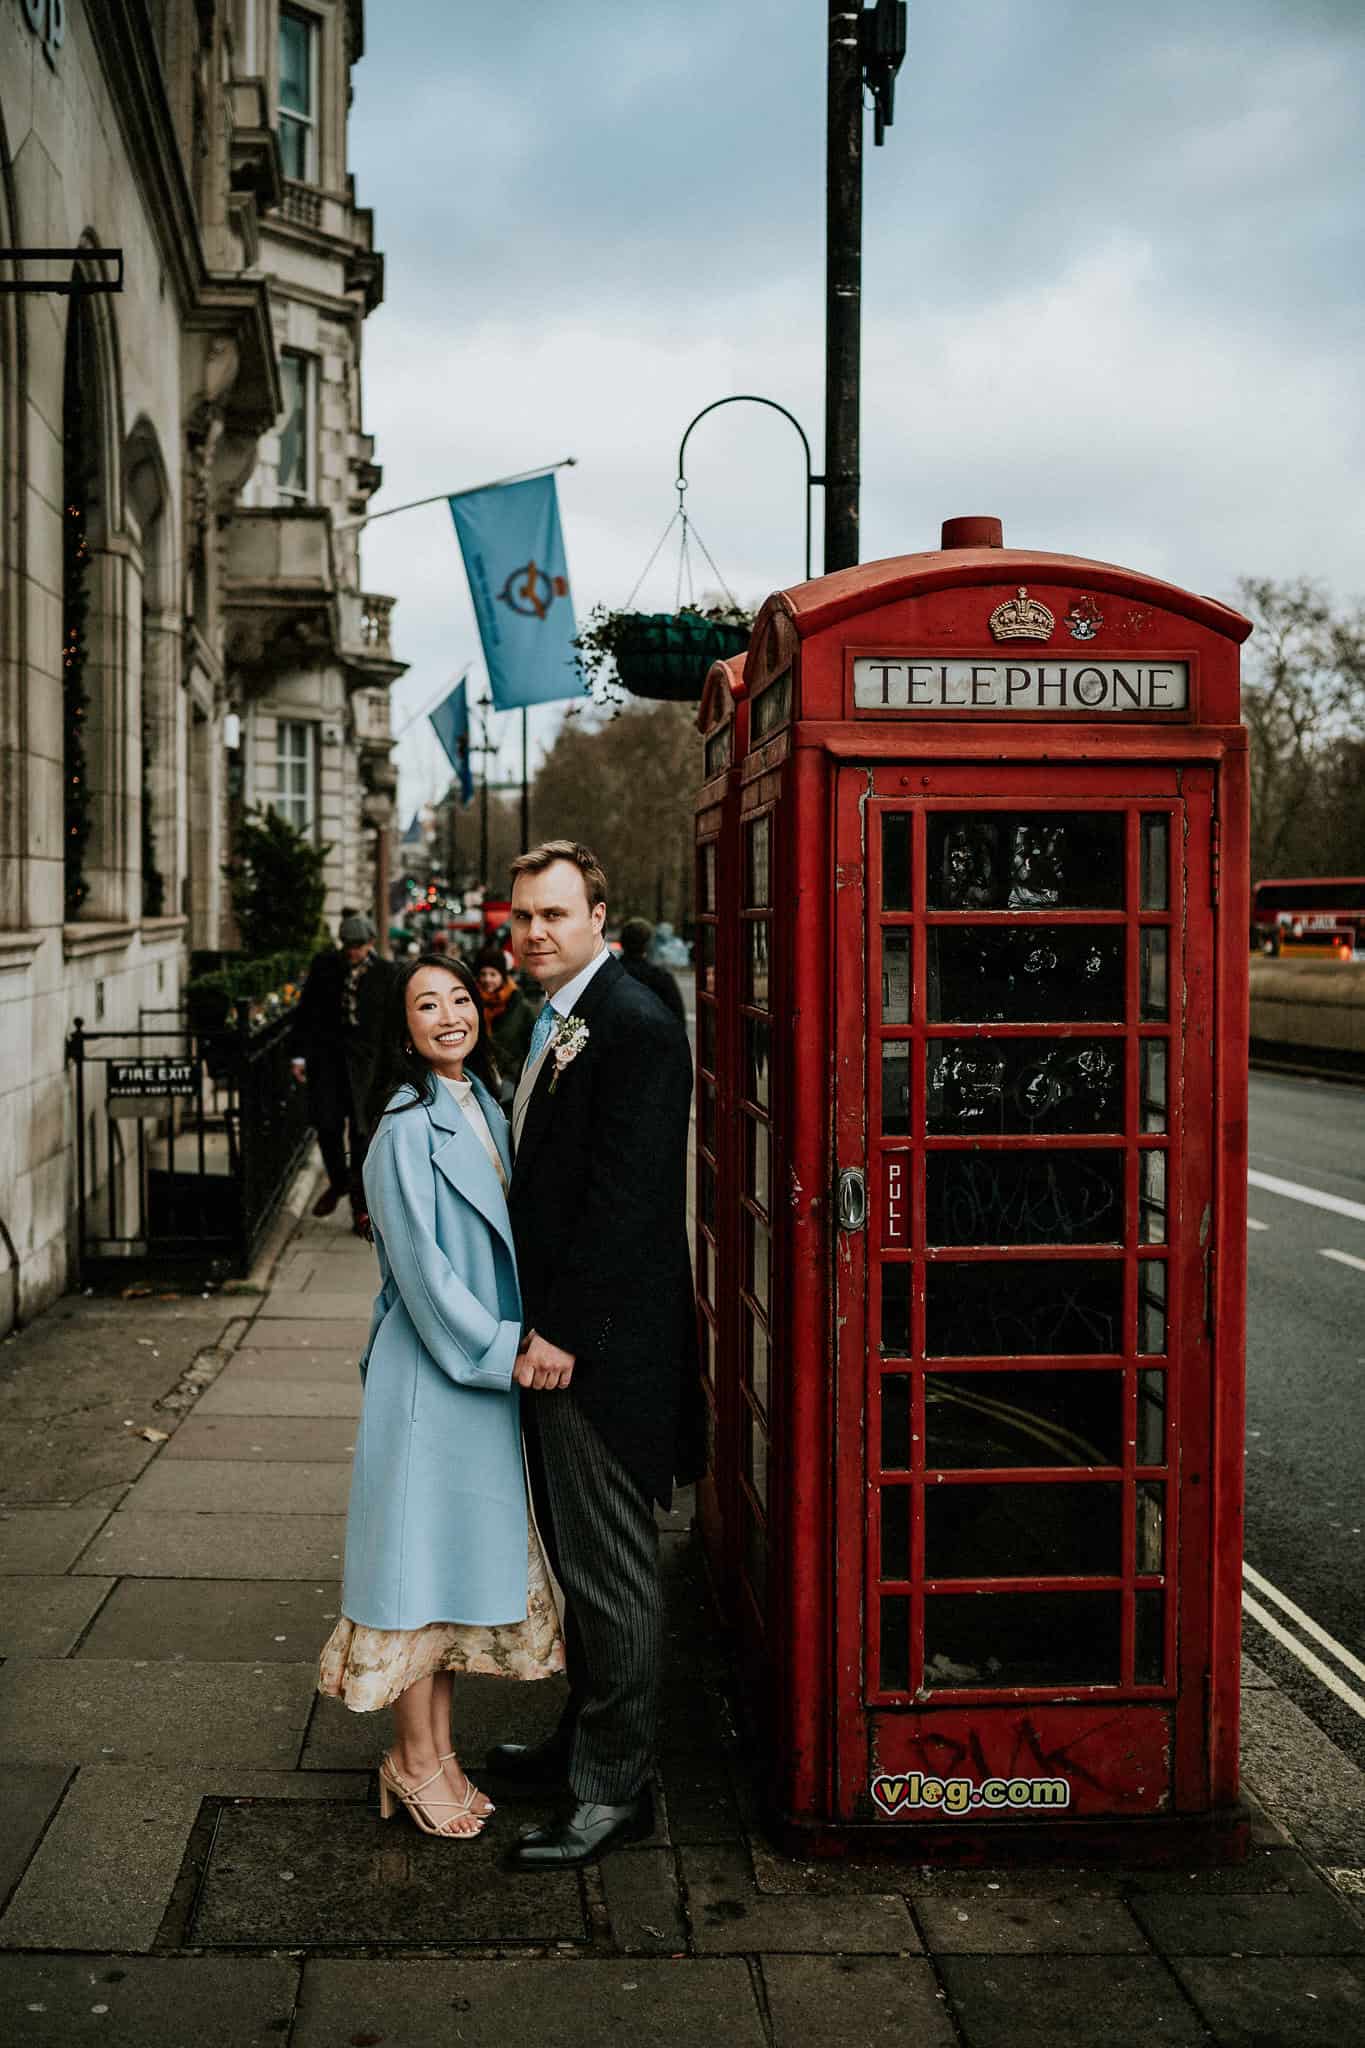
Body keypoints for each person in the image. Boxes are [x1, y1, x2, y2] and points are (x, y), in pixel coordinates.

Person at [485, 840, 703, 1870]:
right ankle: (585, 1739)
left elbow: (629, 1205)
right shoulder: (566, 1011)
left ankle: (617, 1789)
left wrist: (563, 1333)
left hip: (601, 1352)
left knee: (614, 1571)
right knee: (579, 1562)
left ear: (598, 916)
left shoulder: (633, 1023)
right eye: (522, 914)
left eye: (553, 914)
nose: (533, 930)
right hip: (560, 1335)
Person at [316, 953, 564, 1838]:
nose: (450, 1015)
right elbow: (423, 1280)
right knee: (414, 1586)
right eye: (428, 1005)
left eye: (460, 997)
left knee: (447, 1582)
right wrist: (513, 1353)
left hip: (473, 1384)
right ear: (403, 1027)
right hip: (434, 1380)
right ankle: (411, 1763)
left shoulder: (478, 1101)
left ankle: (437, 1755)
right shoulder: (400, 1130)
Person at [290, 912, 394, 1236]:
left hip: (367, 1068)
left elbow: (394, 1024)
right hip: (328, 1062)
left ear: (371, 944)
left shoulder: (387, 974)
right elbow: (305, 1012)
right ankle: (338, 1182)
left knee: (363, 1138)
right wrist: (298, 1056)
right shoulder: (325, 967)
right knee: (327, 1127)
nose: (353, 951)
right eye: (348, 945)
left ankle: (360, 1211)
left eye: (359, 945)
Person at [473, 945, 538, 1104]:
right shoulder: (469, 1003)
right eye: (483, 974)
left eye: (493, 974)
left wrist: (516, 1073)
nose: (487, 979)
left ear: (502, 976)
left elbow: (533, 1046)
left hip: (511, 1083)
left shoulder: (520, 1006)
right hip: (478, 1081)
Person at [617, 916, 687, 1028]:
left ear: (622, 943)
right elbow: (678, 1022)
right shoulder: (662, 978)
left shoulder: (609, 974)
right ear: (647, 945)